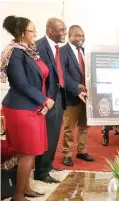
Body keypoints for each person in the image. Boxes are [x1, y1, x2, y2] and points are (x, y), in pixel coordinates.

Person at [1, 15, 54, 201]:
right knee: (27, 152)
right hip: (21, 108)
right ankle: (18, 195)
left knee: (32, 152)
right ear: (22, 34)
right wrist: (44, 100)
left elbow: (39, 78)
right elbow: (21, 84)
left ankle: (26, 188)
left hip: (34, 106)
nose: (35, 33)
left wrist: (43, 100)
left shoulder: (28, 51)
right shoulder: (15, 53)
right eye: (32, 30)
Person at [34, 18, 67, 183]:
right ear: (51, 31)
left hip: (58, 96)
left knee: (54, 134)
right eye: (62, 30)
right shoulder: (39, 46)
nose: (64, 33)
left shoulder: (56, 47)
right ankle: (41, 171)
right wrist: (45, 98)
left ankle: (49, 164)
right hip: (47, 98)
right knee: (46, 134)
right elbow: (37, 75)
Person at [60, 25, 92, 166]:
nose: (81, 38)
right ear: (70, 36)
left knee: (84, 126)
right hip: (72, 97)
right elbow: (62, 74)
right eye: (77, 35)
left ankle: (82, 151)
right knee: (69, 128)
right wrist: (76, 87)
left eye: (82, 35)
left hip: (87, 97)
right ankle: (67, 154)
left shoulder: (86, 51)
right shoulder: (62, 52)